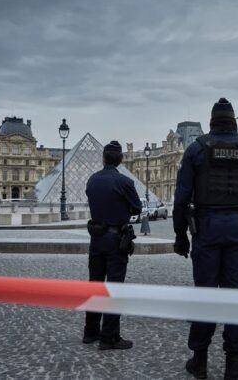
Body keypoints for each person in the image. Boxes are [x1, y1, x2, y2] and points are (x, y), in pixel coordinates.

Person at [173, 98, 238, 380]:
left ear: (212, 123)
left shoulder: (197, 149)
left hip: (206, 228)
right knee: (235, 296)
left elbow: (181, 199)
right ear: (234, 123)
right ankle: (233, 363)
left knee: (204, 294)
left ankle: (200, 360)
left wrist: (180, 236)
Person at [83, 140, 142, 350]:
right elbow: (137, 208)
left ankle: (90, 332)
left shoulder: (92, 180)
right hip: (116, 240)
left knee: (95, 285)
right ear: (121, 160)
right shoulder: (125, 182)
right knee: (114, 288)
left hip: (96, 238)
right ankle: (109, 337)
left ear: (103, 158)